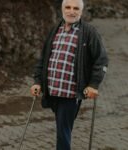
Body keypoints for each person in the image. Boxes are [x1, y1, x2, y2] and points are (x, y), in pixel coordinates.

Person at [30, 0, 108, 149]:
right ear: (62, 9)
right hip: (52, 91)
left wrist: (93, 85)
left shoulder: (89, 32)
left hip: (70, 94)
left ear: (81, 11)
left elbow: (101, 60)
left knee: (63, 131)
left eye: (75, 8)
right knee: (62, 128)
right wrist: (37, 81)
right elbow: (44, 58)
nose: (71, 11)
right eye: (68, 7)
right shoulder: (55, 30)